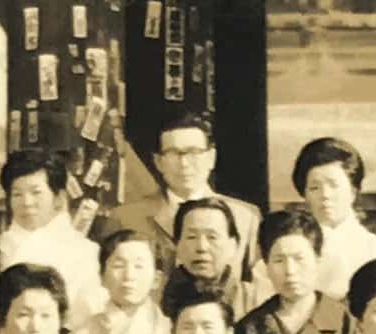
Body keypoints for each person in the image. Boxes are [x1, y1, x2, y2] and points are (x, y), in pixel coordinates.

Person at [107, 113, 262, 287]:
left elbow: (255, 289)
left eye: (194, 152)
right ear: (158, 162)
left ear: (211, 158)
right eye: (173, 153)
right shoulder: (125, 219)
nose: (184, 163)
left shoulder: (245, 218)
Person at [230, 207, 348, 334]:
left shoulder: (345, 321)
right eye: (279, 260)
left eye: (299, 259)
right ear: (266, 265)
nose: (290, 271)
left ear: (317, 259)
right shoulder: (249, 330)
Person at [0, 148, 101, 327]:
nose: (26, 202)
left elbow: (89, 314)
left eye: (36, 193)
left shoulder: (84, 252)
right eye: (17, 194)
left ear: (58, 198)